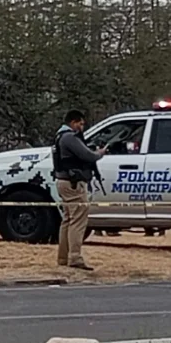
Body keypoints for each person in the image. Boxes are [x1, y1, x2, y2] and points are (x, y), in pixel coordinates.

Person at [53, 109, 107, 271]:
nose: (82, 127)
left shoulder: (59, 136)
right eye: (81, 124)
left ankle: (63, 257)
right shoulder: (70, 137)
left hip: (64, 181)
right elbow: (88, 156)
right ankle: (75, 257)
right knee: (78, 220)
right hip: (73, 183)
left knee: (68, 220)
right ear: (73, 122)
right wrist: (100, 153)